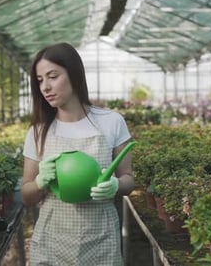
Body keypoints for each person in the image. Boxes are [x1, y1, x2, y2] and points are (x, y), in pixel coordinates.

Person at [21, 42, 134, 265]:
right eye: (40, 80)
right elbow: (27, 196)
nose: (45, 87)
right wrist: (40, 182)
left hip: (101, 239)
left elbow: (129, 180)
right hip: (52, 241)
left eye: (53, 76)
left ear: (74, 74)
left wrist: (116, 186)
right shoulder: (38, 132)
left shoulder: (111, 122)